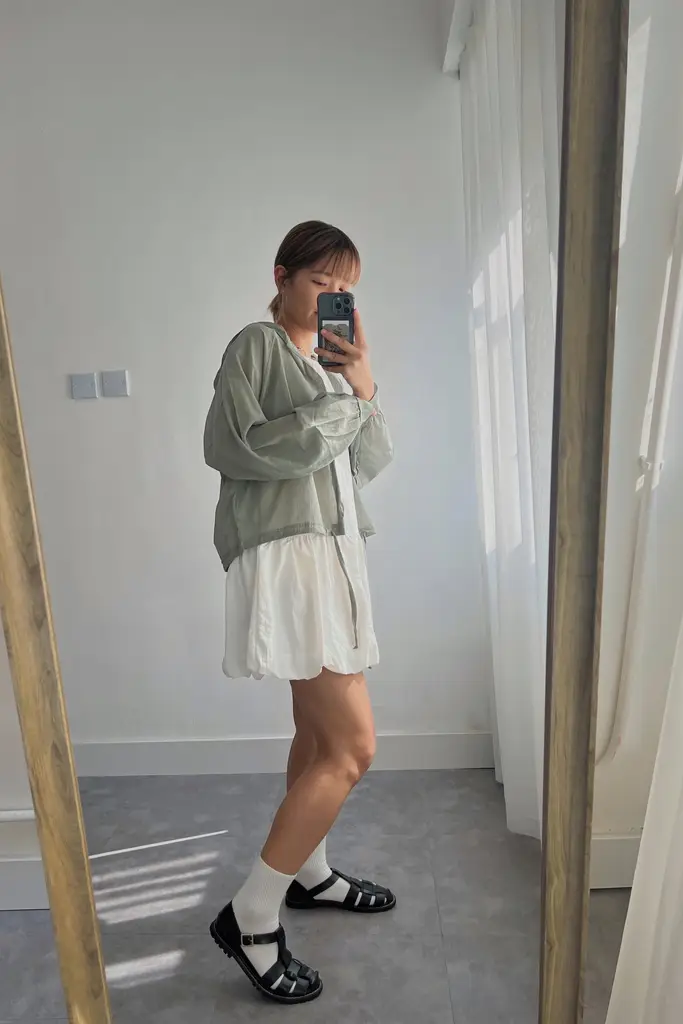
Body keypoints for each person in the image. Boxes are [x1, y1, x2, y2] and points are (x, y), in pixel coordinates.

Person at [203, 220, 394, 1004]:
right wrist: (341, 412)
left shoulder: (330, 364)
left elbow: (368, 462)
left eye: (345, 288)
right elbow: (235, 446)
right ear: (281, 276)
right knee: (353, 748)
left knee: (317, 736)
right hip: (290, 557)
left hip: (334, 551)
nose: (333, 298)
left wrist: (362, 387)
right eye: (321, 282)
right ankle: (251, 915)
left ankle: (308, 873)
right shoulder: (256, 346)